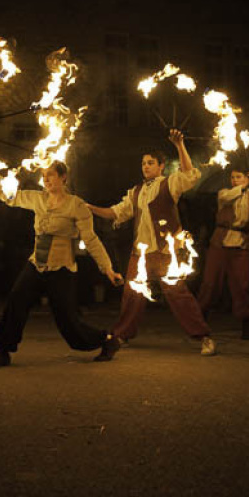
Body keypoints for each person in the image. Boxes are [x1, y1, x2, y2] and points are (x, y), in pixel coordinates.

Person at [0, 160, 124, 369]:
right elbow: (10, 198)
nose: (46, 179)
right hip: (36, 264)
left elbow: (91, 239)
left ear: (63, 177)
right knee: (16, 302)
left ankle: (107, 340)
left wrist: (108, 269)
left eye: (51, 175)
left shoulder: (76, 205)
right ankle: (3, 350)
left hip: (62, 268)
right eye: (44, 175)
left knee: (67, 320)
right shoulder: (38, 198)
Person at [87, 129, 216, 357]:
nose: (145, 166)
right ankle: (123, 334)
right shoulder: (135, 192)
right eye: (143, 163)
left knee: (178, 295)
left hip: (166, 253)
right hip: (141, 254)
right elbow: (114, 213)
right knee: (131, 294)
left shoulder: (169, 184)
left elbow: (190, 175)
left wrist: (179, 145)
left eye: (150, 163)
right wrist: (88, 208)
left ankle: (203, 336)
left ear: (161, 166)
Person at [196, 168, 249, 340]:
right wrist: (246, 183)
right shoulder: (224, 193)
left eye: (238, 177)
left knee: (242, 285)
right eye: (232, 177)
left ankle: (246, 323)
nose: (234, 180)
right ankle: (200, 321)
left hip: (241, 245)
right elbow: (228, 197)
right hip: (220, 243)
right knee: (210, 283)